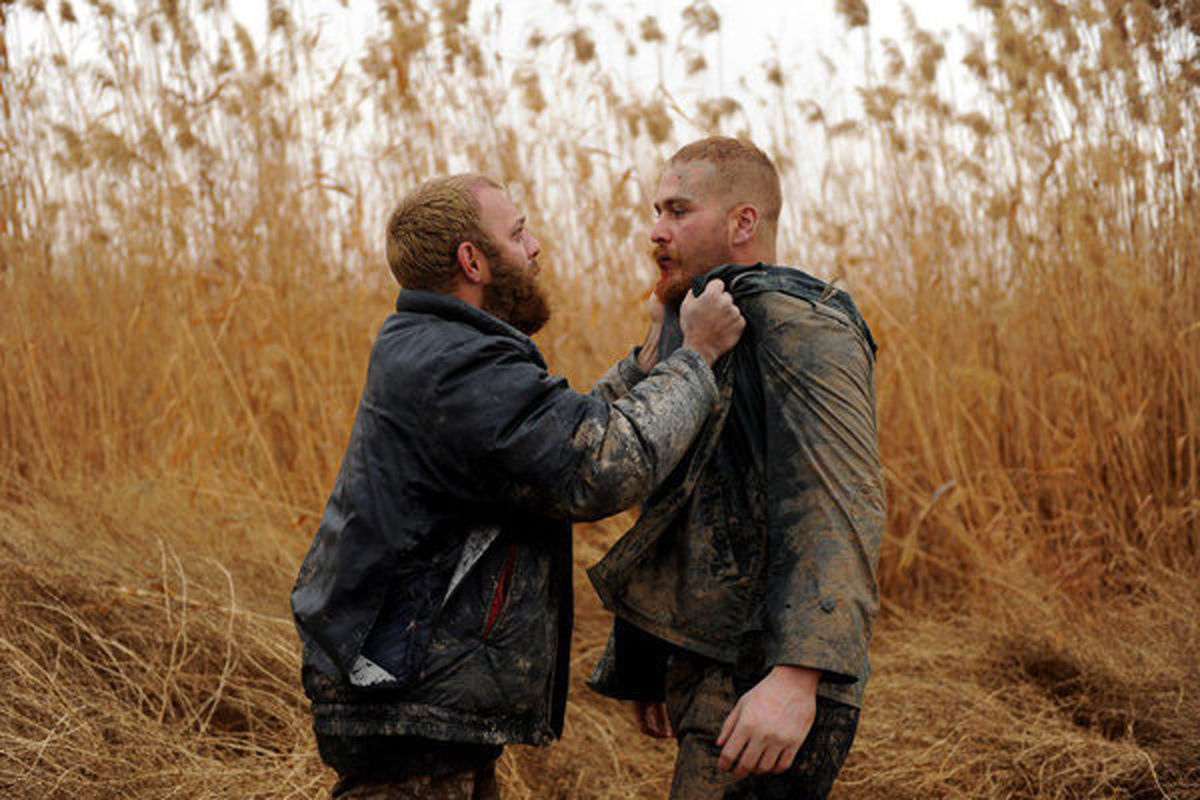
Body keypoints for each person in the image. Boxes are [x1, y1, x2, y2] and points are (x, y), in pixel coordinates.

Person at [290, 173, 745, 799]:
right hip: (412, 698)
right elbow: (595, 468)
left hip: (423, 702)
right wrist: (697, 356)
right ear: (472, 260)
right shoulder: (455, 362)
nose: (535, 249)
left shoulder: (441, 349)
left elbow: (562, 436)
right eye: (518, 232)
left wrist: (648, 362)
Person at [587, 137, 885, 799]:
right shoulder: (698, 324)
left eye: (678, 211)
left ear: (742, 223)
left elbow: (841, 503)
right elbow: (674, 499)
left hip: (769, 676)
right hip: (712, 664)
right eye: (656, 210)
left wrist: (797, 678)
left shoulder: (803, 324)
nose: (655, 230)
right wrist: (646, 654)